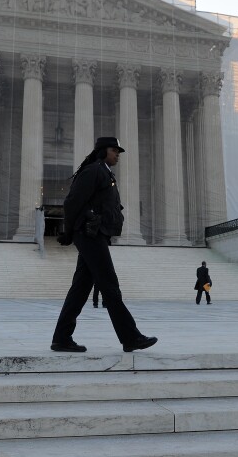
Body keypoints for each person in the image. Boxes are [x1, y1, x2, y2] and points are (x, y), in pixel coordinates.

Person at [50, 137, 157, 353]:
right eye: (114, 150)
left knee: (80, 289)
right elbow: (72, 202)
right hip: (90, 234)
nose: (118, 154)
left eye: (118, 151)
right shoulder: (93, 171)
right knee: (109, 285)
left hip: (96, 233)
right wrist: (68, 232)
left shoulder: (105, 173)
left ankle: (62, 338)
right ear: (102, 151)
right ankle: (130, 337)